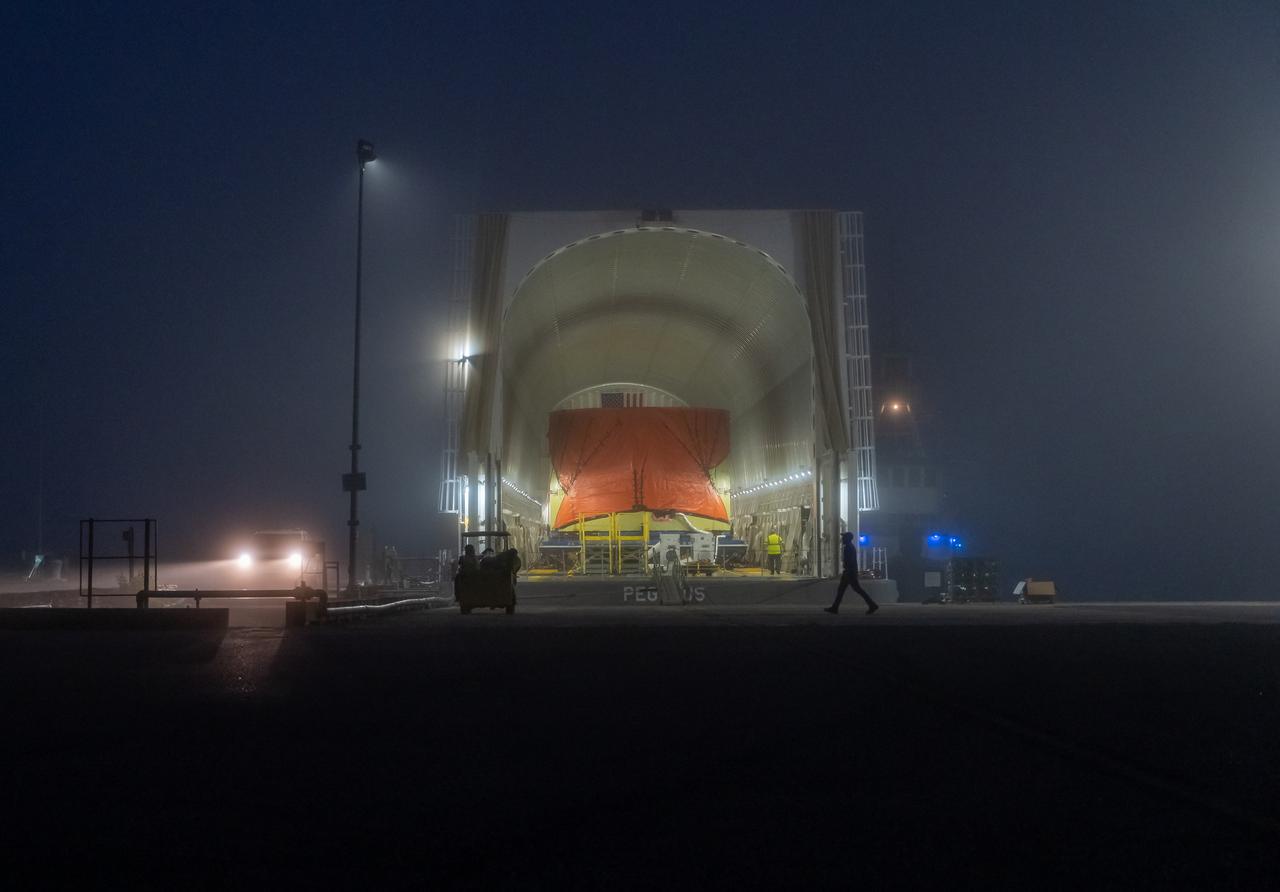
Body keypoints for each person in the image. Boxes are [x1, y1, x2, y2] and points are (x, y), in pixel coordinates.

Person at [825, 531, 879, 615]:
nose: (842, 539)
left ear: (847, 539)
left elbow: (850, 561)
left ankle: (872, 605)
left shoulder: (848, 548)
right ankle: (835, 607)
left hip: (849, 572)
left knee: (854, 589)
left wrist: (847, 571)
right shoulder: (849, 547)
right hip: (850, 571)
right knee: (844, 590)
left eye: (844, 537)